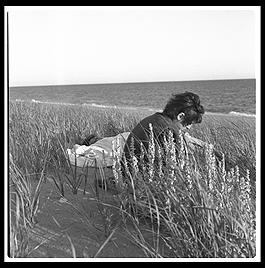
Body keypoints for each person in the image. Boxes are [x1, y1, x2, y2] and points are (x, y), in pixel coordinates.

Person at [122, 91, 205, 173]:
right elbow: (173, 166)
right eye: (189, 123)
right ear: (180, 116)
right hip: (140, 175)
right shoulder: (169, 130)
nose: (189, 127)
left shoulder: (155, 118)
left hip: (126, 170)